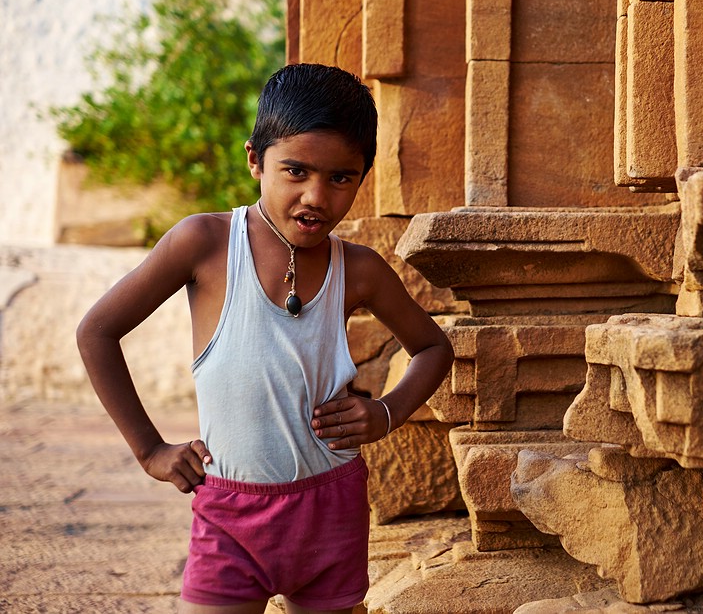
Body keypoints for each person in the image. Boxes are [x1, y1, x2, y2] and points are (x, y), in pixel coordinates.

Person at [76, 63, 455, 614]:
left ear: (363, 175)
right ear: (255, 159)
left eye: (341, 178)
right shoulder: (205, 243)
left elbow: (433, 347)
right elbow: (97, 332)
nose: (316, 197)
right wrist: (151, 450)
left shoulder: (361, 270)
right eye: (295, 171)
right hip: (230, 513)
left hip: (333, 505)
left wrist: (388, 413)